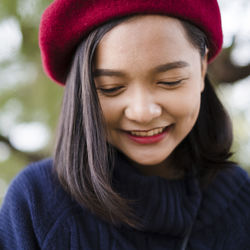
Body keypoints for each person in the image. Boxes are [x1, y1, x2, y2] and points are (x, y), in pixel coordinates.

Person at [0, 0, 250, 249]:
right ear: (82, 91)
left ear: (203, 66)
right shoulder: (36, 203)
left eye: (170, 81)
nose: (143, 112)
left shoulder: (240, 201)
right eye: (112, 88)